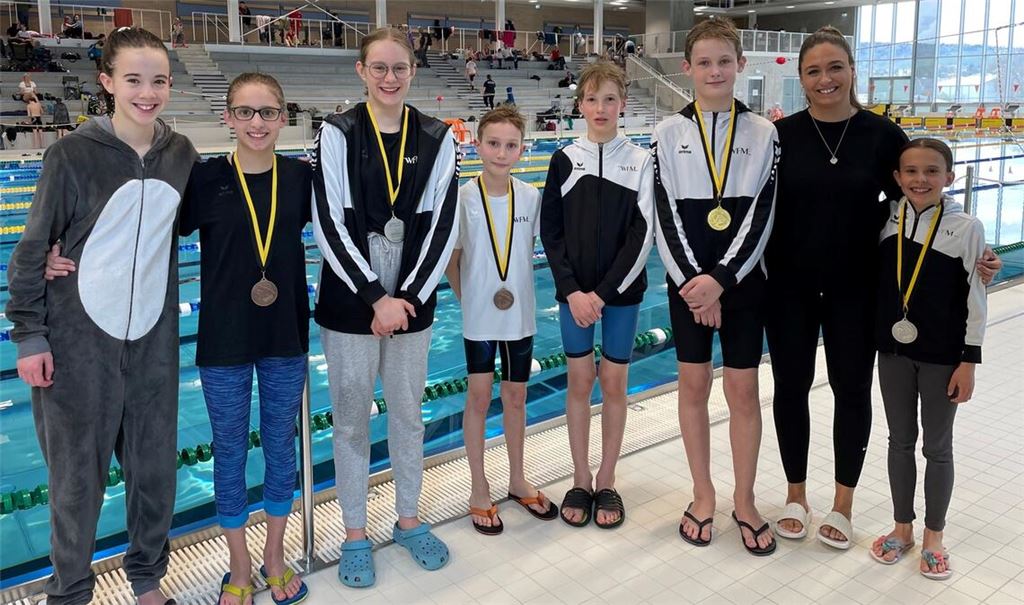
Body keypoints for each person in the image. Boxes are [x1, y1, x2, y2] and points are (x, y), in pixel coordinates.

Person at [44, 72, 313, 605]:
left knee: (281, 450)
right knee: (230, 452)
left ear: (284, 118)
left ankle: (275, 556)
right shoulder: (204, 178)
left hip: (287, 338)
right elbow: (137, 226)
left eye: (267, 112)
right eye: (245, 112)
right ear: (228, 118)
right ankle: (238, 565)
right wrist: (61, 248)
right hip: (223, 344)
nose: (256, 123)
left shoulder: (304, 178)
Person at [764, 26, 1003, 550]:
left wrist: (975, 249)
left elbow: (921, 191)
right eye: (813, 71)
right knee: (790, 390)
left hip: (858, 290)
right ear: (801, 79)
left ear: (852, 71)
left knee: (852, 392)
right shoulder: (781, 136)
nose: (825, 79)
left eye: (835, 68)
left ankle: (843, 503)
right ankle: (796, 495)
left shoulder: (881, 134)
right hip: (789, 288)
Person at [6, 27, 197, 605]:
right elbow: (32, 250)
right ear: (107, 81)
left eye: (158, 80)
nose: (147, 92)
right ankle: (70, 593)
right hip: (76, 346)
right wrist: (29, 335)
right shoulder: (71, 154)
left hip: (152, 346)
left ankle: (146, 581)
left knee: (154, 476)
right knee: (74, 484)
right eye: (134, 79)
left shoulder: (182, 154)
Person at [311, 27, 459, 588]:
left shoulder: (437, 135)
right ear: (361, 70)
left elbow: (441, 223)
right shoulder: (338, 132)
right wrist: (376, 296)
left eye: (400, 68)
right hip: (351, 297)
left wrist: (410, 297)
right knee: (349, 421)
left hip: (413, 294)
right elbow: (329, 220)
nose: (390, 78)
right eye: (380, 68)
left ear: (413, 72)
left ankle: (409, 519)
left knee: (407, 414)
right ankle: (354, 532)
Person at [652, 17, 778, 555]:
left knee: (744, 392)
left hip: (743, 283)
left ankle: (744, 498)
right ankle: (702, 494)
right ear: (687, 68)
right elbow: (663, 217)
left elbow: (762, 216)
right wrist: (694, 285)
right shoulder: (667, 133)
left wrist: (720, 281)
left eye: (724, 61)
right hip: (686, 285)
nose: (715, 70)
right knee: (694, 388)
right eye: (703, 62)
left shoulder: (764, 133)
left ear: (740, 65)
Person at [541, 61, 654, 529]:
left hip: (619, 296)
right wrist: (571, 291)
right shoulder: (565, 158)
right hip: (574, 297)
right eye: (592, 99)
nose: (601, 108)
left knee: (613, 385)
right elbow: (551, 232)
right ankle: (580, 476)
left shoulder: (640, 160)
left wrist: (601, 294)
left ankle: (607, 478)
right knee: (579, 383)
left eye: (610, 99)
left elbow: (642, 232)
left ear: (623, 104)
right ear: (580, 104)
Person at [868, 138, 986, 581]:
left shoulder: (966, 227)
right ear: (897, 178)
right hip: (893, 352)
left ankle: (935, 535)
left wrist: (968, 360)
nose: (921, 179)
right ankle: (903, 528)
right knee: (899, 441)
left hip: (942, 356)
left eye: (931, 171)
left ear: (949, 178)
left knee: (936, 447)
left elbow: (976, 296)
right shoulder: (886, 219)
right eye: (911, 172)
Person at [445, 106, 555, 535]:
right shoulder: (462, 199)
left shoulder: (530, 197)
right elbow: (453, 262)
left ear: (522, 150)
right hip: (479, 318)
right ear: (477, 144)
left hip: (521, 317)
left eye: (511, 145)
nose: (501, 152)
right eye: (493, 143)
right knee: (477, 396)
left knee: (516, 398)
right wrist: (470, 299)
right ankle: (478, 486)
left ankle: (516, 478)